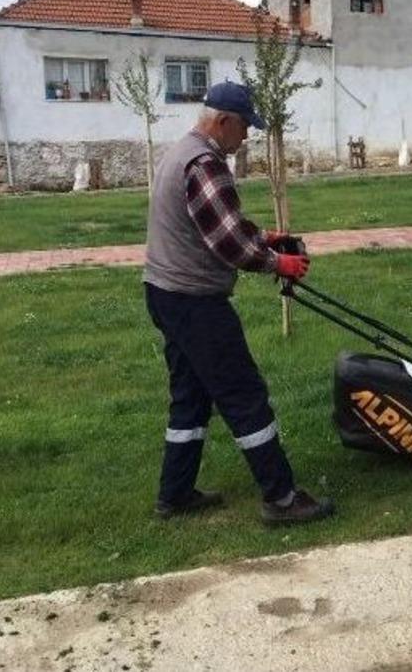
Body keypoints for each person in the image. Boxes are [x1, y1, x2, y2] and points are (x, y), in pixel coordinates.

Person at [142, 80, 335, 525]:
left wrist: (265, 237)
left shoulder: (181, 151)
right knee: (245, 395)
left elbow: (215, 224)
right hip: (195, 301)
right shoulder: (206, 163)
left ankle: (175, 495)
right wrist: (279, 264)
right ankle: (282, 499)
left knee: (189, 398)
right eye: (245, 126)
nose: (246, 137)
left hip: (165, 292)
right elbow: (229, 244)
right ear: (224, 121)